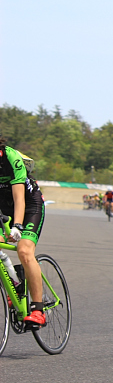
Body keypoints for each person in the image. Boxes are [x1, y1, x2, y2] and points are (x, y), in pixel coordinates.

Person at [0, 139, 47, 326]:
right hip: (4, 207)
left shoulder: (11, 157)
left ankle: (38, 310)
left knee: (24, 251)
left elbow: (20, 199)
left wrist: (18, 227)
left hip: (29, 206)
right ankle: (15, 285)